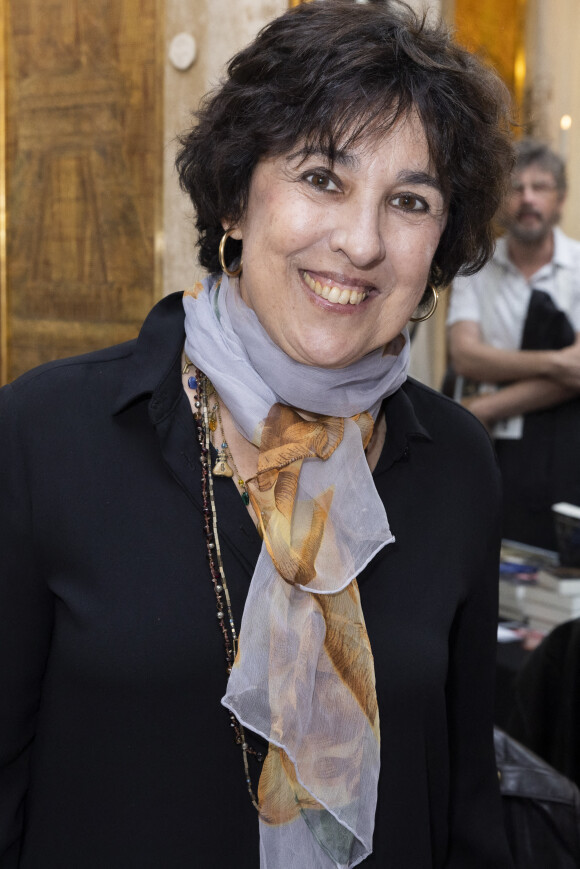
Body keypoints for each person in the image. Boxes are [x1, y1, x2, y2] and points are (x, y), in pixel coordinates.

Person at [0, 2, 515, 866]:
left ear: (442, 243)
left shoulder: (457, 465)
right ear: (237, 196)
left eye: (410, 200)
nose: (360, 241)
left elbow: (462, 808)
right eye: (322, 177)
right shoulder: (47, 437)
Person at [447, 139, 580, 551]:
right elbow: (465, 356)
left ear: (560, 198)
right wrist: (558, 361)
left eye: (540, 187)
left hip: (566, 444)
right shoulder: (475, 266)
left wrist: (489, 407)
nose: (527, 199)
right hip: (492, 446)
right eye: (516, 188)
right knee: (491, 551)